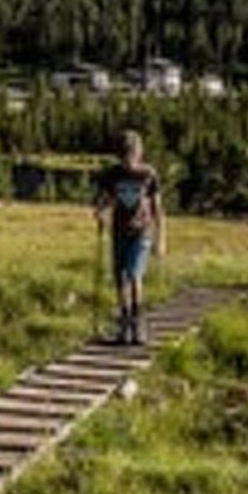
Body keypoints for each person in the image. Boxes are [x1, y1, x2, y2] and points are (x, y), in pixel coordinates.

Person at [93, 129, 166, 343]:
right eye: (125, 155)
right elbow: (107, 199)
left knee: (134, 275)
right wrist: (100, 211)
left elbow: (158, 209)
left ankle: (138, 325)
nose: (129, 160)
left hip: (142, 232)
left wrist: (161, 239)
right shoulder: (113, 174)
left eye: (132, 154)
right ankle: (124, 327)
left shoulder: (148, 174)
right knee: (120, 278)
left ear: (139, 152)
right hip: (118, 232)